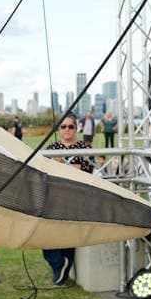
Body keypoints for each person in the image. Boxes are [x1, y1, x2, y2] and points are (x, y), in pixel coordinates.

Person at [43, 113, 93, 285]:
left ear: (76, 128)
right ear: (59, 129)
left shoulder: (82, 147)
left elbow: (83, 172)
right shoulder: (52, 147)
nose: (67, 130)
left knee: (66, 235)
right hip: (54, 197)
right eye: (63, 126)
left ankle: (61, 269)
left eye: (70, 126)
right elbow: (43, 170)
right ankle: (58, 264)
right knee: (45, 233)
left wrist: (62, 165)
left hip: (74, 198)